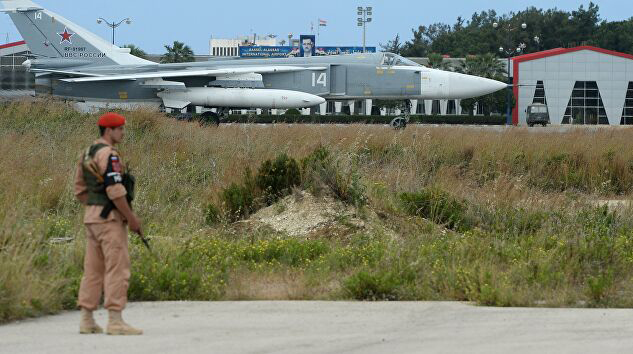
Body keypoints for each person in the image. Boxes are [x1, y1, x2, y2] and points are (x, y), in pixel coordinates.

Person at [74, 112, 143, 335]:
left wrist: (95, 207)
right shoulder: (109, 155)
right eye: (120, 129)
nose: (123, 132)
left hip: (92, 217)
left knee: (92, 269)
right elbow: (115, 190)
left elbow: (80, 190)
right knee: (117, 268)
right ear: (109, 130)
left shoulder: (87, 152)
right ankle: (115, 320)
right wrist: (130, 217)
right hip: (110, 220)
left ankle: (87, 319)